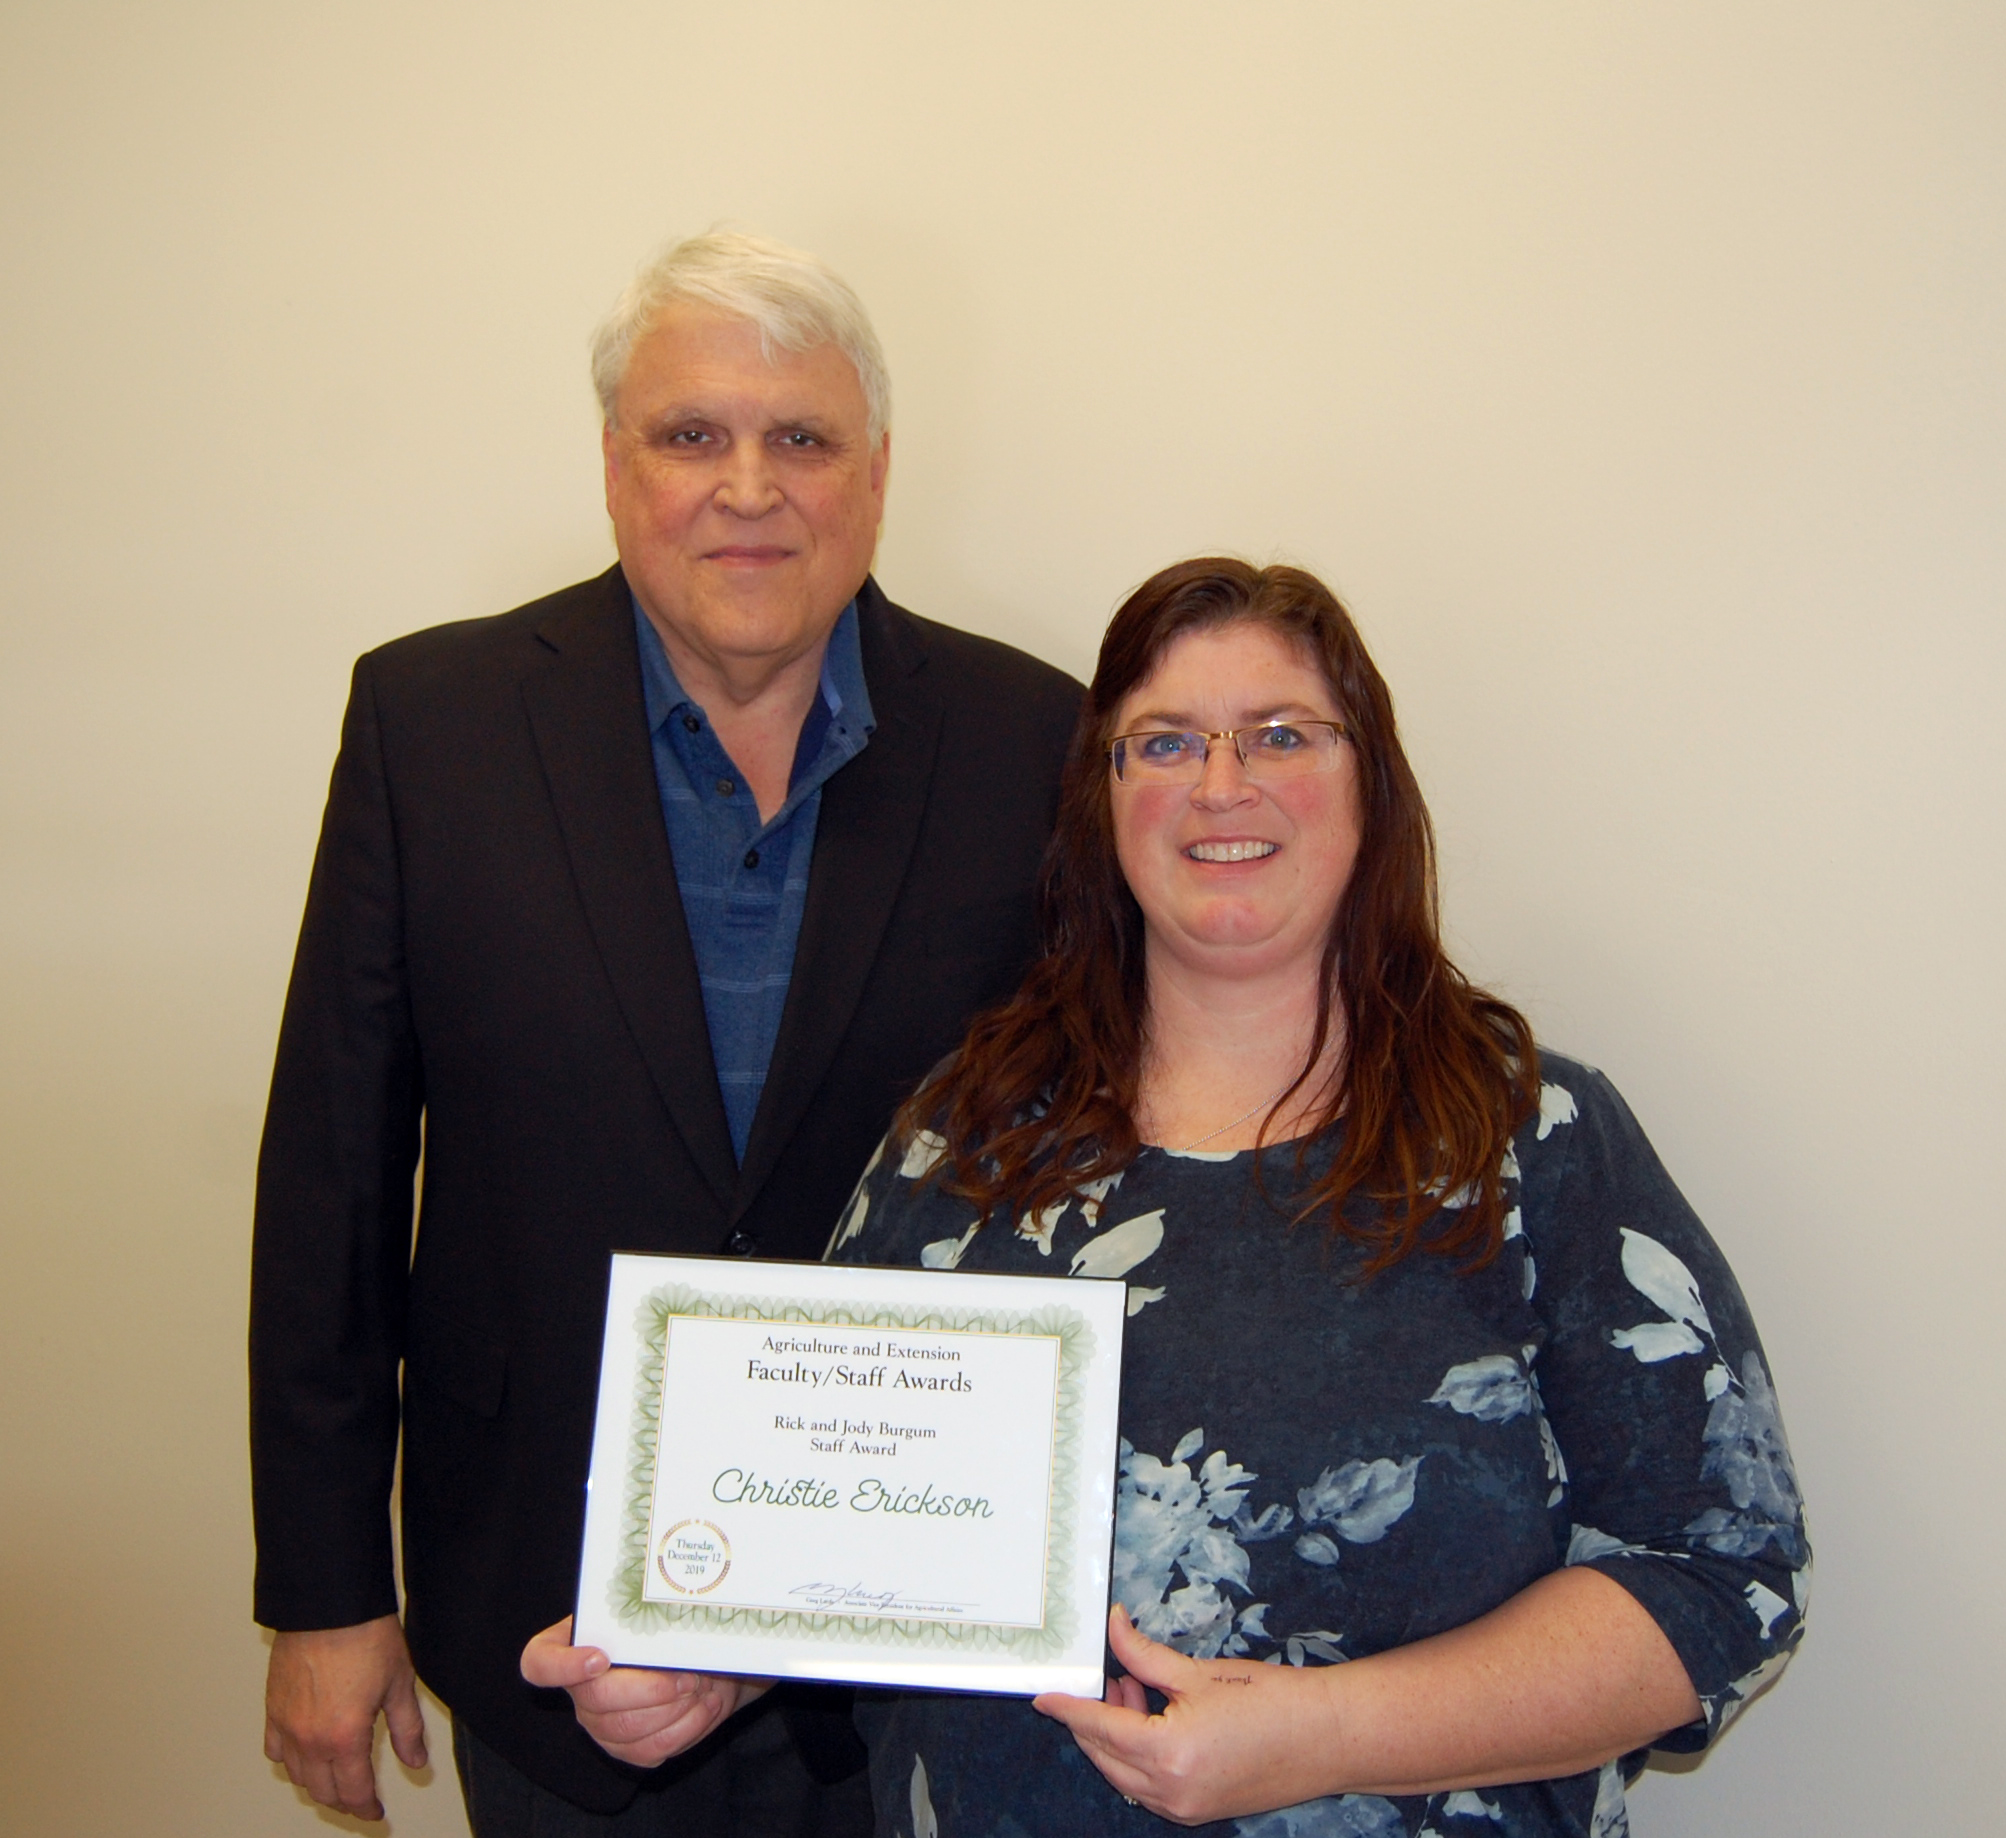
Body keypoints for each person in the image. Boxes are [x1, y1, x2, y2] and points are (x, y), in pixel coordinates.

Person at [528, 557, 1809, 1836]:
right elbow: (836, 1517)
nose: (1220, 783)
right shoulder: (960, 1137)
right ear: (1103, 799)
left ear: (1372, 783)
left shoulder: (1528, 1135)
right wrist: (706, 1651)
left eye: (1279, 734)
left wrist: (1320, 1734)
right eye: (1164, 741)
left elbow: (1716, 1576)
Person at [249, 230, 1081, 1835]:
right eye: (691, 433)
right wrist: (327, 1587)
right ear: (615, 463)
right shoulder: (434, 724)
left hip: (912, 1635)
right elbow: (332, 1185)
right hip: (547, 1620)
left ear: (880, 472)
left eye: (802, 437)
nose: (747, 486)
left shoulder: (1035, 740)